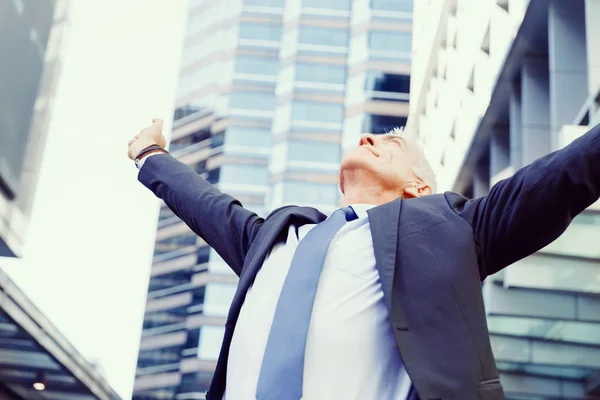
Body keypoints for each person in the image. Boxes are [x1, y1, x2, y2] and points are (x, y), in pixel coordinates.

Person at [128, 118, 600, 400]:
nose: (368, 137)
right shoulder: (275, 237)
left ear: (419, 188)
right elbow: (207, 204)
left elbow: (559, 177)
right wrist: (151, 155)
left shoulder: (452, 228)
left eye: (390, 145)